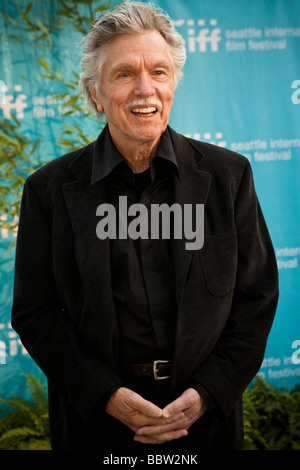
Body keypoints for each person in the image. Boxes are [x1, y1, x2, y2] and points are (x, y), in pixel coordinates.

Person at [11, 1, 279, 452]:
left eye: (158, 72)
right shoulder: (49, 190)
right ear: (96, 93)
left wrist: (208, 393)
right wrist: (105, 395)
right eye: (123, 74)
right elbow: (35, 312)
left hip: (205, 426)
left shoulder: (228, 175)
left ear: (173, 83)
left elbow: (257, 296)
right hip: (96, 426)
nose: (145, 90)